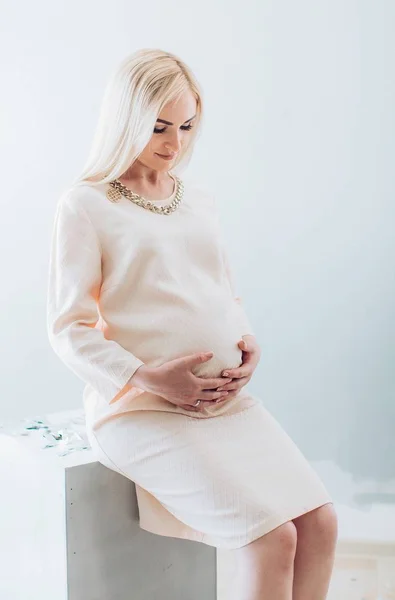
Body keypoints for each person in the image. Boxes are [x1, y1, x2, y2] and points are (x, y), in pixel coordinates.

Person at [47, 48, 338, 599]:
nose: (174, 143)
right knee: (271, 539)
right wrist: (152, 377)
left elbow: (221, 290)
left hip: (224, 403)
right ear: (125, 119)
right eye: (158, 127)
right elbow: (69, 328)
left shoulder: (197, 199)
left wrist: (245, 346)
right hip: (142, 411)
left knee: (320, 523)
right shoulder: (85, 205)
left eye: (186, 126)